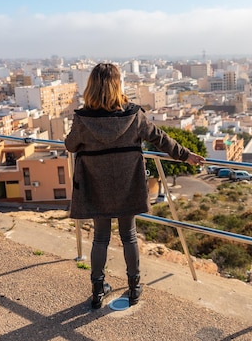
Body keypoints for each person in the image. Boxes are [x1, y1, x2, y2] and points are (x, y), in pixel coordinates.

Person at [65, 63, 204, 309]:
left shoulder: (83, 119)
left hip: (97, 185)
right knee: (129, 236)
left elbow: (70, 145)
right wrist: (187, 155)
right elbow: (160, 138)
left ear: (92, 86)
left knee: (100, 238)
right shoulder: (133, 115)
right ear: (118, 85)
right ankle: (134, 287)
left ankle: (97, 290)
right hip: (127, 184)